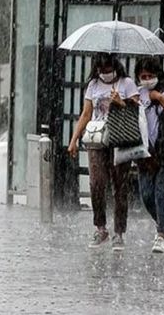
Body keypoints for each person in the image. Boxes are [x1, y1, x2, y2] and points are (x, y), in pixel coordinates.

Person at [67, 53, 139, 251]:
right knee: (96, 183)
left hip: (120, 138)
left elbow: (137, 111)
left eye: (107, 70)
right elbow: (86, 113)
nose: (104, 74)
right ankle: (100, 227)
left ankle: (119, 231)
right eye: (101, 70)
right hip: (97, 139)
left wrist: (121, 102)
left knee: (120, 185)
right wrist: (74, 139)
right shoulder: (93, 85)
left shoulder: (127, 83)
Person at [135, 57, 164, 253]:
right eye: (143, 76)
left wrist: (159, 97)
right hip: (144, 153)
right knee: (146, 194)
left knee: (160, 191)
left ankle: (161, 234)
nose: (146, 79)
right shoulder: (137, 94)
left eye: (150, 76)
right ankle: (162, 222)